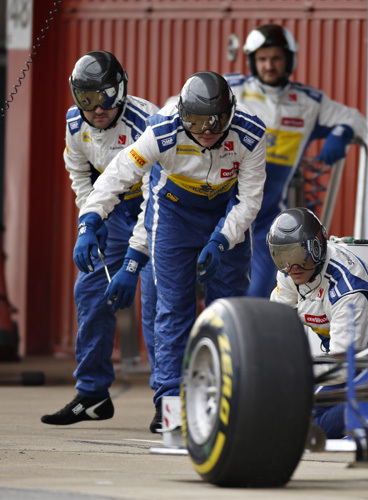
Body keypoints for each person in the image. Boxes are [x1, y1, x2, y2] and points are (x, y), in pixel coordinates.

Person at [70, 71, 267, 432]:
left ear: (232, 113)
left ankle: (229, 400)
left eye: (215, 121)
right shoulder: (161, 129)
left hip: (226, 214)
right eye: (194, 121)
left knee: (230, 310)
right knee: (173, 307)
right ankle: (170, 406)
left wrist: (221, 240)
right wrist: (89, 222)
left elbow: (250, 200)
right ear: (181, 116)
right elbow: (116, 175)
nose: (206, 130)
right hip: (174, 213)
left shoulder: (251, 134)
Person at [42, 51, 160, 427]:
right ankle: (92, 394)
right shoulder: (75, 122)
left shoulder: (150, 123)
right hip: (108, 212)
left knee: (157, 302)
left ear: (121, 89)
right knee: (89, 294)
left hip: (154, 212)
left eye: (105, 96)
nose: (96, 108)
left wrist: (132, 260)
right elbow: (78, 172)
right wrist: (90, 221)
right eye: (86, 98)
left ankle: (169, 399)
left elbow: (156, 195)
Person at [225, 24, 368, 299]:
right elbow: (182, 103)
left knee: (260, 296)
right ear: (252, 61)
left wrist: (341, 133)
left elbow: (355, 118)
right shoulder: (232, 89)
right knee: (221, 294)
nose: (269, 65)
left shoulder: (308, 100)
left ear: (289, 60)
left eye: (276, 58)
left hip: (268, 220)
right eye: (262, 59)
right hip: (224, 209)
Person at [267, 207, 368, 438]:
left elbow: (341, 368)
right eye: (282, 255)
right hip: (342, 361)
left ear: (317, 248)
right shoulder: (289, 272)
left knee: (295, 422)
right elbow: (272, 324)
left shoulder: (349, 292)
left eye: (297, 254)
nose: (291, 266)